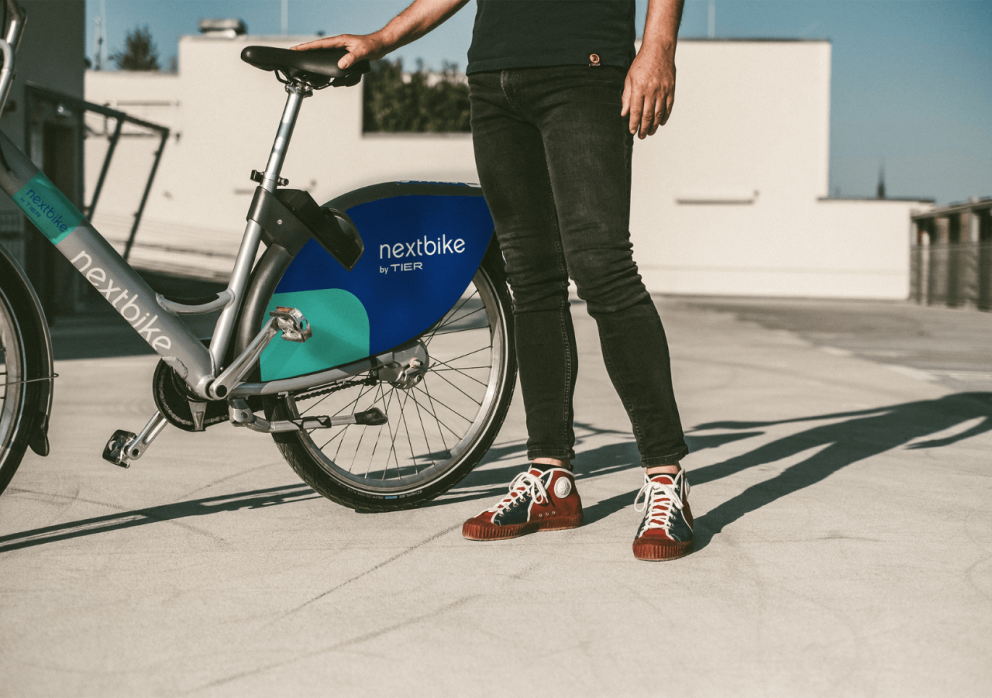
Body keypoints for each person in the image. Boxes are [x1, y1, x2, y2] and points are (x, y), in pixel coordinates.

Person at [295, 0, 692, 561]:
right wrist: (382, 39)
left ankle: (664, 478)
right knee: (530, 280)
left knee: (602, 268)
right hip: (495, 79)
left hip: (585, 68)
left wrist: (658, 49)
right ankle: (550, 480)